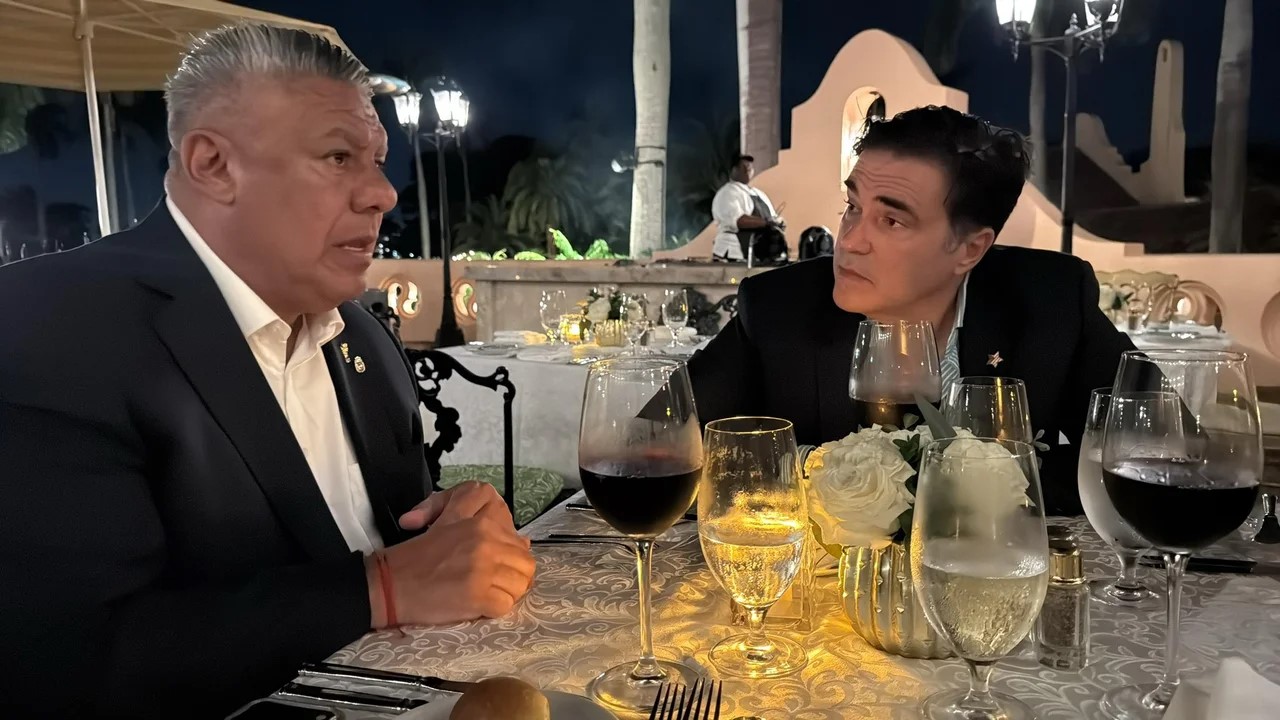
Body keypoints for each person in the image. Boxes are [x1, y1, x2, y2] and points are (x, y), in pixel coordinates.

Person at [0, 24, 535, 719]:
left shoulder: (364, 337)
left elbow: (397, 531)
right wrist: (378, 589)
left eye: (377, 161)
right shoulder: (47, 326)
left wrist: (451, 532)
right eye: (338, 156)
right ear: (213, 165)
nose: (382, 194)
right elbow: (68, 659)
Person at [688, 106, 1135, 515]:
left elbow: (1152, 451)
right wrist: (819, 472)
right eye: (852, 206)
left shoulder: (1051, 301)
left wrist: (965, 489)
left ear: (969, 248)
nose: (850, 240)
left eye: (891, 220)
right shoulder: (780, 307)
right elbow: (666, 448)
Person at [710, 153, 787, 262]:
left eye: (750, 168)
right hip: (734, 254)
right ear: (734, 170)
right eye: (744, 167)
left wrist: (779, 222)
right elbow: (739, 220)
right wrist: (767, 222)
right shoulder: (727, 192)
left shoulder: (759, 193)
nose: (748, 171)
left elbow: (772, 217)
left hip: (759, 256)